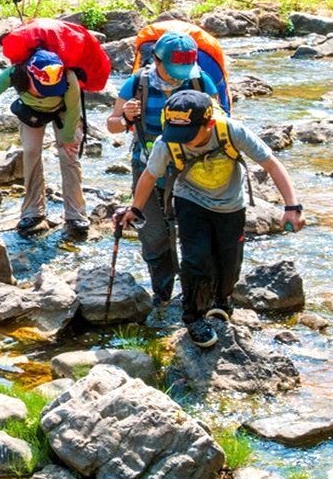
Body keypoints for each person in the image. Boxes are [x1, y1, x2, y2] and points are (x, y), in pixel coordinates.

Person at [116, 90, 305, 349]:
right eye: (177, 134)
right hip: (190, 201)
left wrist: (292, 205)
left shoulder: (231, 131)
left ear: (209, 124)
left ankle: (222, 301)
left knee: (229, 263)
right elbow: (149, 176)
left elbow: (271, 163)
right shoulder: (166, 142)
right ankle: (193, 316)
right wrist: (135, 209)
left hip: (231, 206)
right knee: (196, 261)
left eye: (189, 135)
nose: (184, 142)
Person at [105, 31, 220, 306]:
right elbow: (111, 125)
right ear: (156, 60)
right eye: (173, 69)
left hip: (192, 170)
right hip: (147, 166)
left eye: (184, 68)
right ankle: (163, 294)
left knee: (194, 234)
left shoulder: (198, 80)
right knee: (154, 235)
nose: (178, 75)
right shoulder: (137, 83)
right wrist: (126, 118)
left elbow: (221, 118)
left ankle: (197, 294)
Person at [0, 49, 90, 238]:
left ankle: (76, 215)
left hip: (64, 113)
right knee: (31, 154)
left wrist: (67, 139)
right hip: (31, 113)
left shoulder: (67, 77)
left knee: (70, 156)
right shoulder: (15, 73)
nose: (45, 93)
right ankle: (33, 212)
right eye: (42, 88)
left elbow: (74, 110)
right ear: (29, 75)